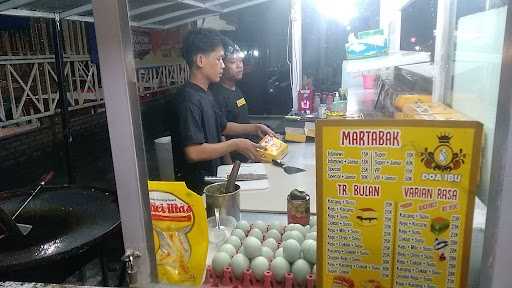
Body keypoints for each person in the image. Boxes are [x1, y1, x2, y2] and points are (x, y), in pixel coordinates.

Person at [171, 29, 275, 194]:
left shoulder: (205, 93)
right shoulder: (188, 99)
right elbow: (194, 152)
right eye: (219, 59)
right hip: (196, 189)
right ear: (200, 60)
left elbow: (223, 127)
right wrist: (235, 144)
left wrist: (254, 127)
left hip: (212, 179)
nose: (223, 65)